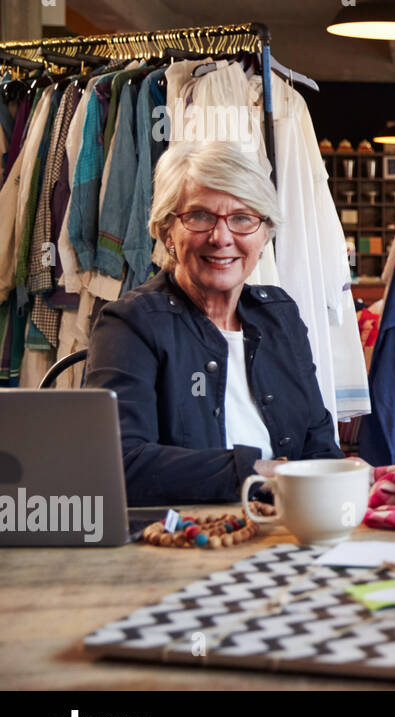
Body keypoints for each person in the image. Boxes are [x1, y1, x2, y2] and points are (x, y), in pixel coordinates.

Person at [84, 143, 342, 506]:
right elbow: (119, 464)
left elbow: (320, 447)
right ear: (166, 232)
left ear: (264, 233)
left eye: (242, 218)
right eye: (200, 216)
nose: (222, 238)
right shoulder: (130, 324)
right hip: (185, 538)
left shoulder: (281, 316)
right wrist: (260, 472)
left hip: (290, 527)